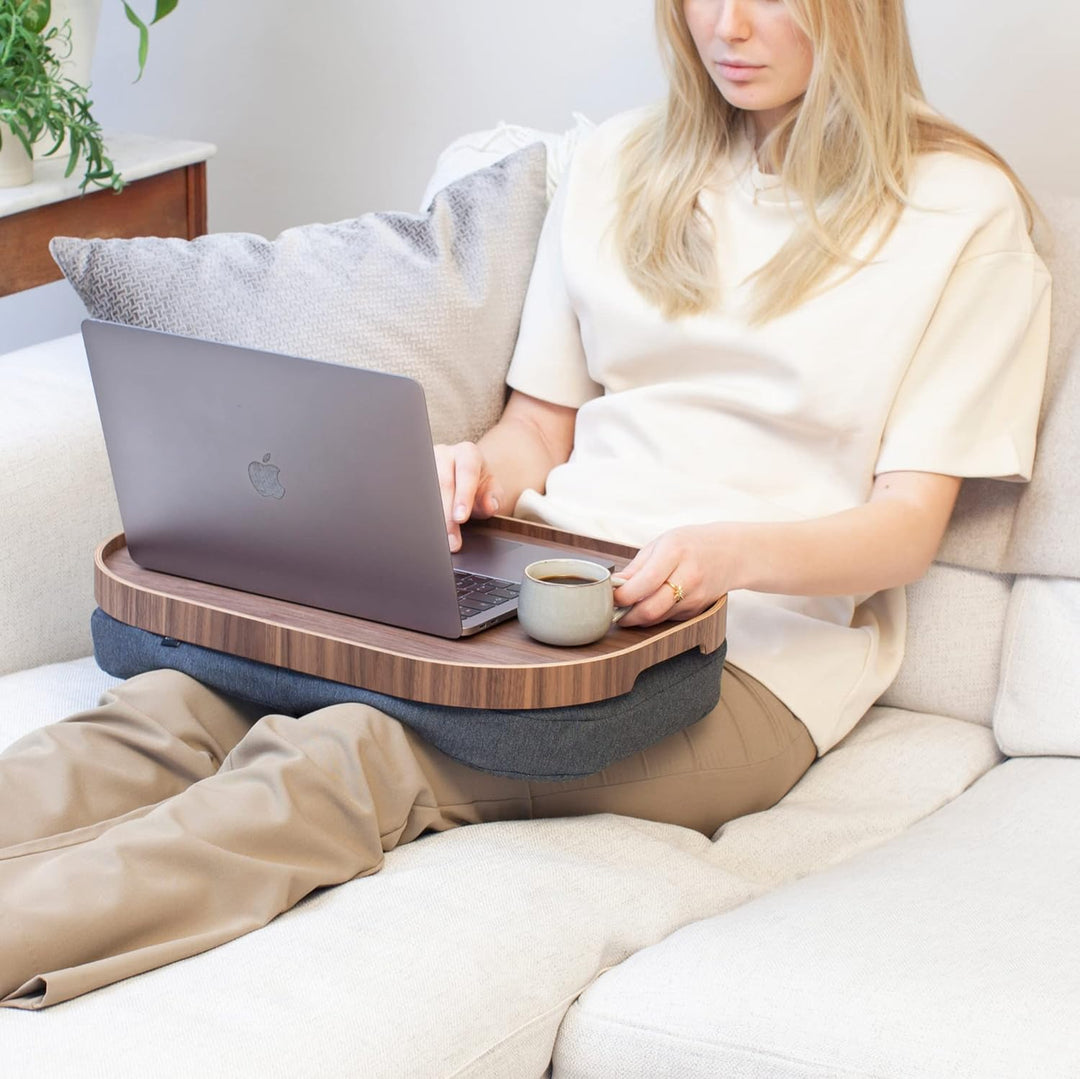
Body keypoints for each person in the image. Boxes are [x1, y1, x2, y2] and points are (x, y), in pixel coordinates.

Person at [0, 0, 1049, 1009]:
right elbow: (536, 430)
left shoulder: (960, 212)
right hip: (544, 595)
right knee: (177, 702)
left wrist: (724, 554)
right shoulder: (620, 163)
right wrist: (476, 470)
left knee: (353, 751)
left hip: (749, 662)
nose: (727, 26)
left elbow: (907, 527)